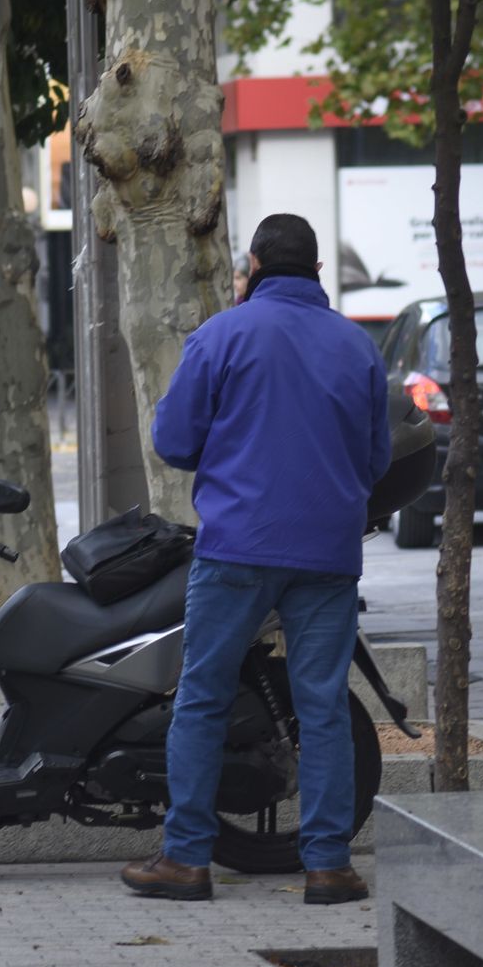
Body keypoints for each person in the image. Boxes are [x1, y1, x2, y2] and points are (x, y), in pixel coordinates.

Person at [121, 213, 391, 905]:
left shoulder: (221, 335)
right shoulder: (357, 347)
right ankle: (328, 866)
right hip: (328, 553)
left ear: (255, 267)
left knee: (204, 697)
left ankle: (186, 859)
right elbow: (376, 459)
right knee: (323, 706)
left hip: (237, 546)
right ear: (318, 273)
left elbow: (176, 442)